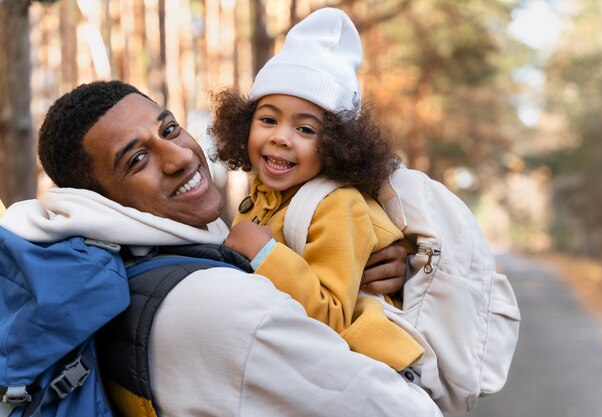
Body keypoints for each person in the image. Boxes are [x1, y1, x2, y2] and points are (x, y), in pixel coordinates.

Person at [0, 80, 442, 417]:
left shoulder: (111, 275)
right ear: (98, 197)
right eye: (136, 160)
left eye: (169, 129)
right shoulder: (221, 304)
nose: (179, 157)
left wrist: (378, 272)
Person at [211, 7, 423, 372]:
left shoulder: (340, 205)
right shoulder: (260, 199)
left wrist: (264, 255)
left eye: (305, 129)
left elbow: (334, 317)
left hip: (359, 375)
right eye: (268, 119)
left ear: (338, 144)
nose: (280, 136)